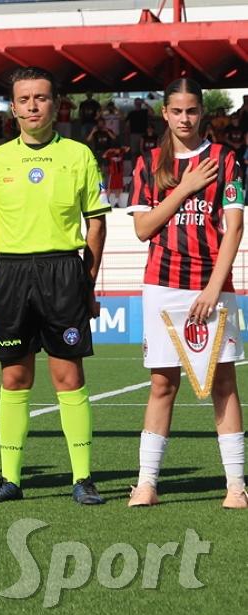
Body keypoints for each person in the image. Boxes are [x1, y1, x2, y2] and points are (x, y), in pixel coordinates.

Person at [0, 66, 109, 505]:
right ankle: (10, 479)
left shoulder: (79, 155)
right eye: (24, 99)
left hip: (62, 270)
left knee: (69, 375)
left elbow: (96, 223)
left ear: (56, 104)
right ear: (13, 108)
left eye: (41, 98)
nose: (33, 106)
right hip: (11, 273)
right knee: (14, 377)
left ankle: (82, 479)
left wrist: (86, 282)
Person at [125, 78, 246, 509]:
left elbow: (235, 227)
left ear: (202, 112)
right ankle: (146, 484)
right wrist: (185, 187)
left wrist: (214, 286)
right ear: (164, 113)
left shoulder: (225, 159)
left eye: (192, 110)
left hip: (213, 286)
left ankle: (236, 486)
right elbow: (143, 229)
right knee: (163, 383)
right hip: (162, 285)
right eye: (176, 111)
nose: (184, 118)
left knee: (224, 382)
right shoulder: (147, 163)